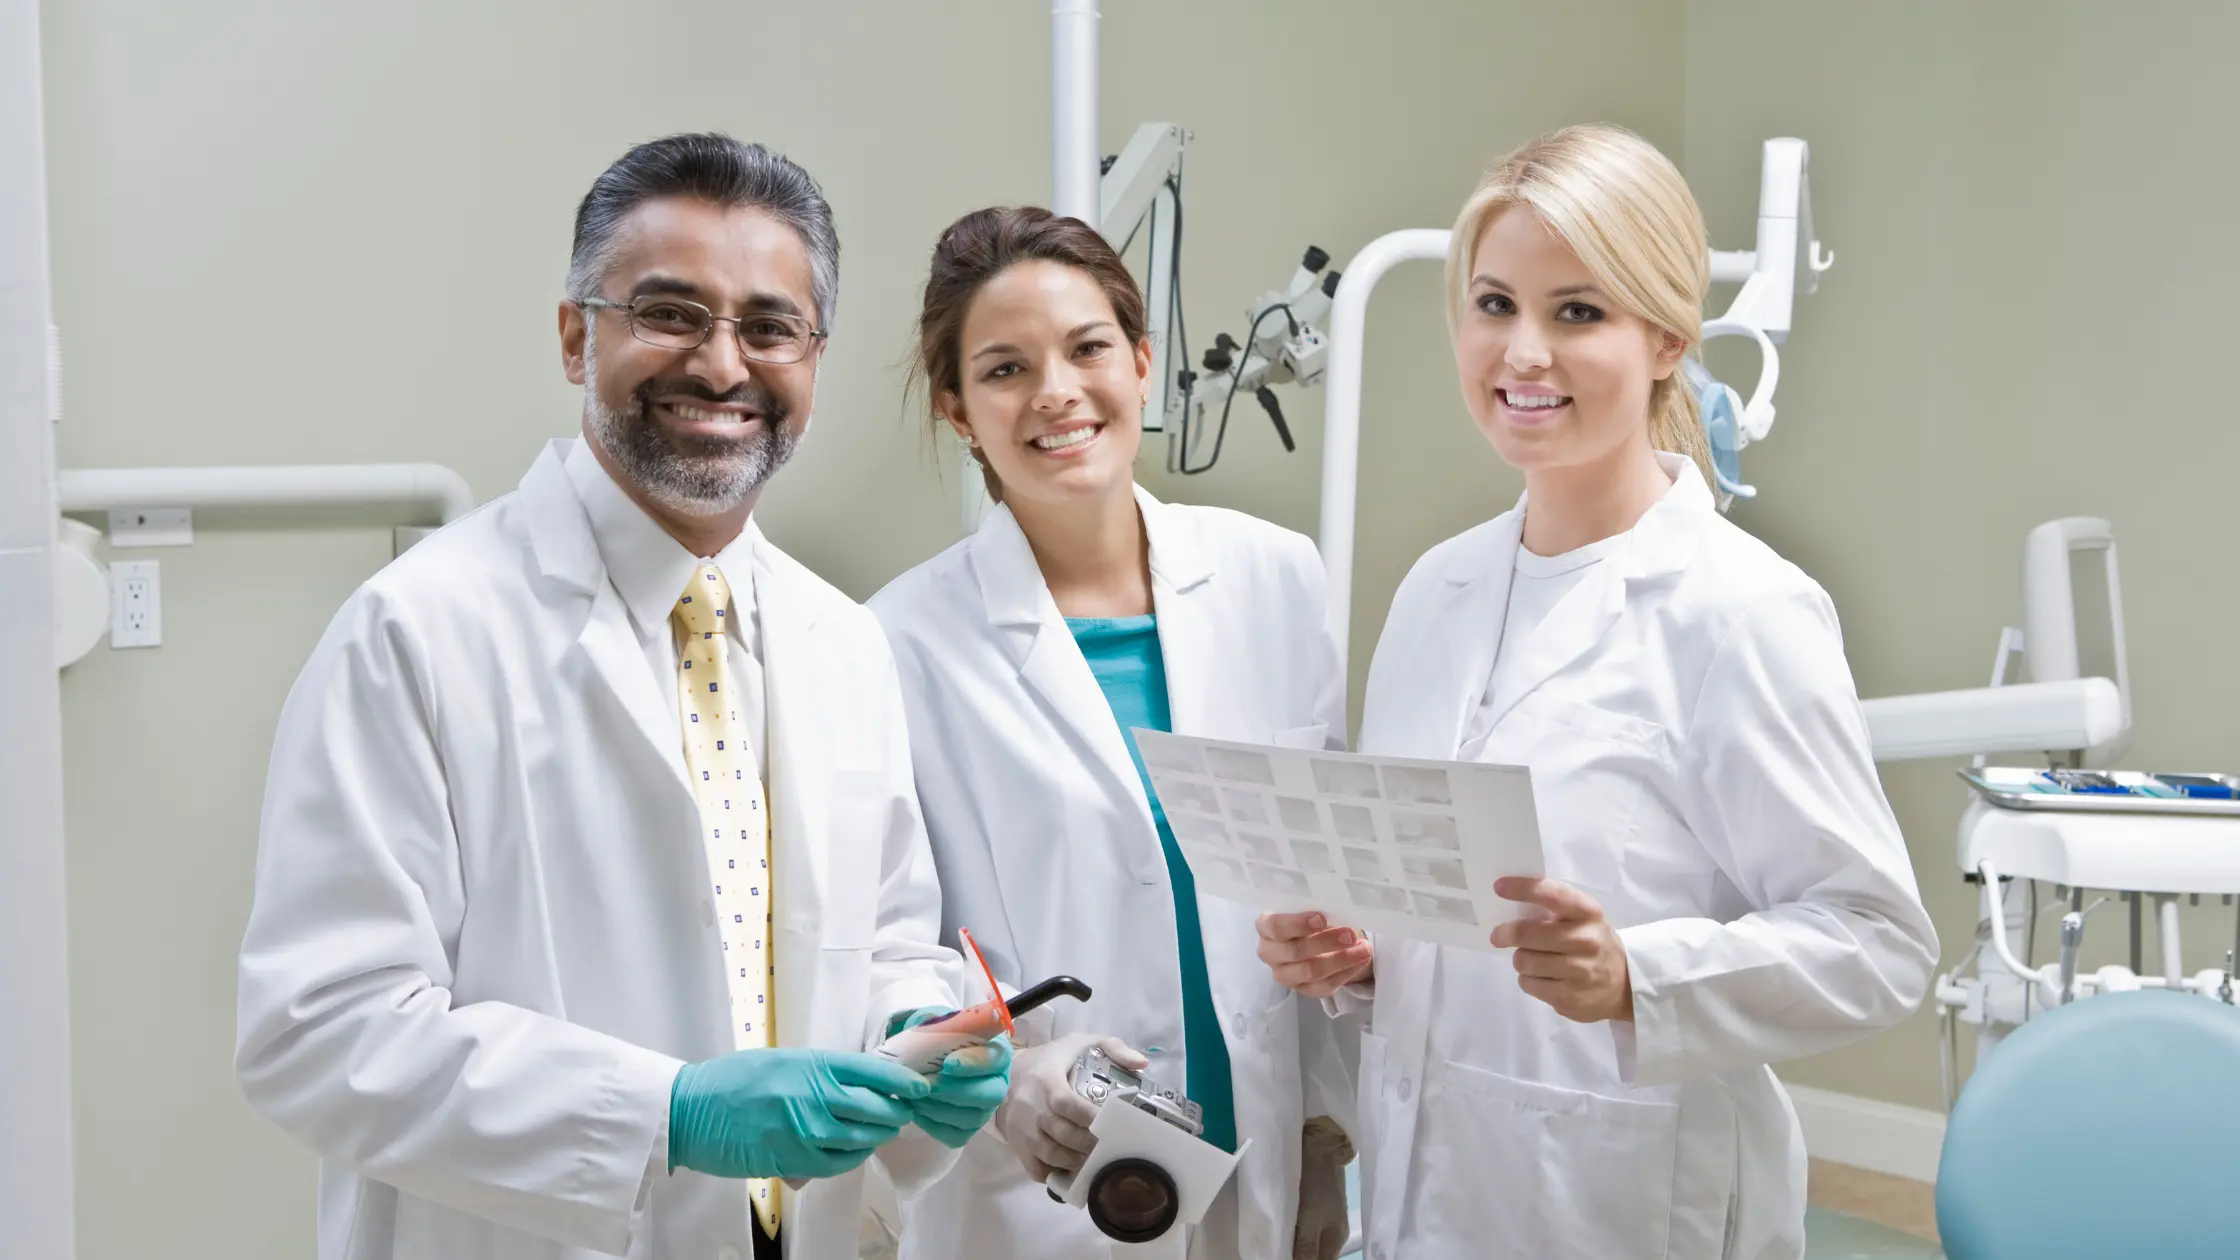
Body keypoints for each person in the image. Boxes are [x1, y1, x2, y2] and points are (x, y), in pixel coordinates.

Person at [234, 133, 1010, 1260]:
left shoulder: (841, 642)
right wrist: (667, 1114)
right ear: (573, 334)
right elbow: (318, 1033)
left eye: (769, 326)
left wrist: (916, 1032)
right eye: (670, 312)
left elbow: (883, 933)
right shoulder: (417, 631)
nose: (722, 365)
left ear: (813, 356)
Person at [1253, 125, 1939, 1260]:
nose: (1522, 352)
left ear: (1666, 337)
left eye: (1576, 312)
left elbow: (1876, 946)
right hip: (1432, 1194)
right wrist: (1366, 961)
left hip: (1626, 1206)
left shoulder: (1736, 609)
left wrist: (1637, 976)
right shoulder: (1435, 591)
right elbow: (1447, 917)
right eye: (1491, 304)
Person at [867, 206, 1357, 1260]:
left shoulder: (1275, 578)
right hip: (1043, 1188)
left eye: (1087, 348)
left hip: (1253, 1158)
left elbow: (1320, 882)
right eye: (1003, 369)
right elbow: (892, 935)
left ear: (1138, 361)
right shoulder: (896, 640)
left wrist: (1323, 1135)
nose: (1055, 391)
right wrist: (994, 1083)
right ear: (957, 409)